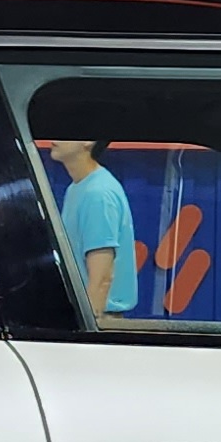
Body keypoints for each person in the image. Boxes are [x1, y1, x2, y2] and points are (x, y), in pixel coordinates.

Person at [48, 137, 140, 321]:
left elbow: (101, 279)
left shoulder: (98, 194)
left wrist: (89, 328)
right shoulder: (76, 188)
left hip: (98, 319)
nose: (55, 137)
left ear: (88, 142)